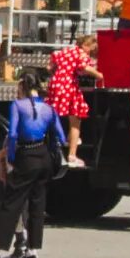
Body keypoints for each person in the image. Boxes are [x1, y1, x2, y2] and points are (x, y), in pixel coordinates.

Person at [0, 73, 66, 258]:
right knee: (37, 206)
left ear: (22, 86)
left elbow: (14, 133)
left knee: (11, 203)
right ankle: (32, 252)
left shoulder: (18, 105)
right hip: (44, 158)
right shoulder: (49, 108)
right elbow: (61, 135)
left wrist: (13, 158)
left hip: (26, 154)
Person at [45, 34, 100, 168]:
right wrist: (100, 75)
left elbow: (49, 67)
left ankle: (66, 140)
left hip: (55, 84)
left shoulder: (65, 51)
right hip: (69, 86)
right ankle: (72, 155)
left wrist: (55, 75)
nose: (91, 52)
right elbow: (84, 67)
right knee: (76, 118)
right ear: (85, 45)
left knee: (55, 115)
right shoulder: (81, 54)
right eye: (91, 49)